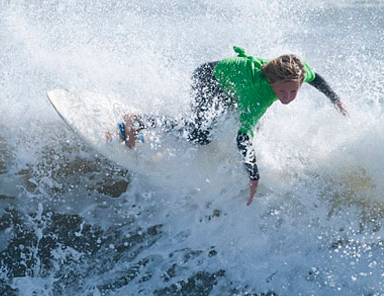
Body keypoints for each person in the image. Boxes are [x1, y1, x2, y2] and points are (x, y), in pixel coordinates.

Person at [121, 46, 348, 205]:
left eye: (293, 91)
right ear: (270, 83)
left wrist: (335, 100)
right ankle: (139, 122)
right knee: (201, 135)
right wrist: (254, 176)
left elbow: (315, 77)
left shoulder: (297, 70)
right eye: (281, 91)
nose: (288, 97)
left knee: (254, 125)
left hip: (232, 86)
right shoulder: (257, 95)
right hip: (209, 79)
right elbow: (242, 138)